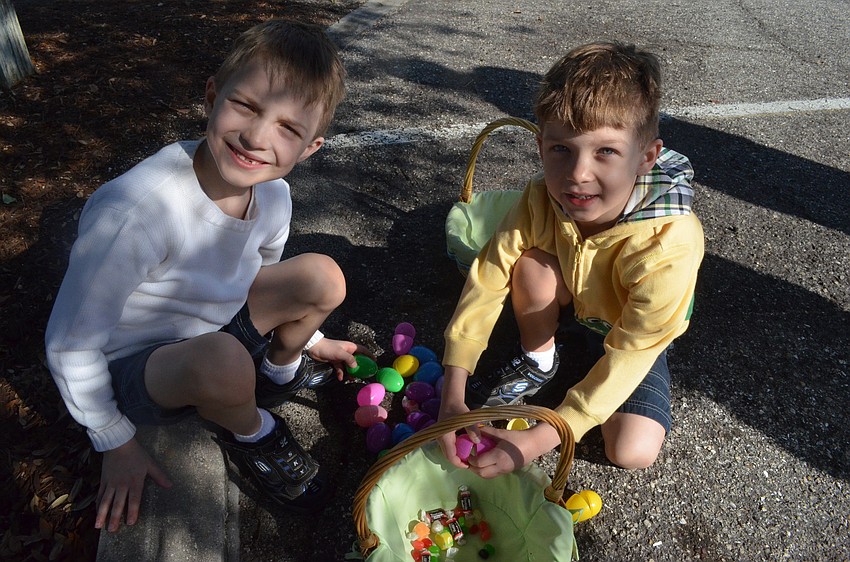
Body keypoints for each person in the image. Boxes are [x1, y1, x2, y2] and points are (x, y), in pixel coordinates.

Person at [44, 20, 367, 532]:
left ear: (310, 149)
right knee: (222, 359)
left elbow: (258, 273)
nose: (258, 137)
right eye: (247, 106)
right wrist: (115, 438)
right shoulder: (138, 212)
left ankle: (281, 371)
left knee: (323, 276)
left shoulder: (274, 194)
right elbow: (69, 343)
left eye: (289, 128)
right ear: (213, 95)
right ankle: (255, 431)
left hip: (212, 329)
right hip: (140, 369)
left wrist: (311, 340)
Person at [437, 41, 704, 478]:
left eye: (606, 151)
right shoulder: (540, 197)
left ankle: (571, 361)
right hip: (575, 298)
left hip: (631, 332)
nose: (578, 174)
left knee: (632, 450)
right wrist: (453, 390)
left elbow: (632, 352)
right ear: (540, 145)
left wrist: (541, 437)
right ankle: (539, 357)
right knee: (528, 263)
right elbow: (489, 274)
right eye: (561, 149)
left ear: (647, 157)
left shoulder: (669, 244)